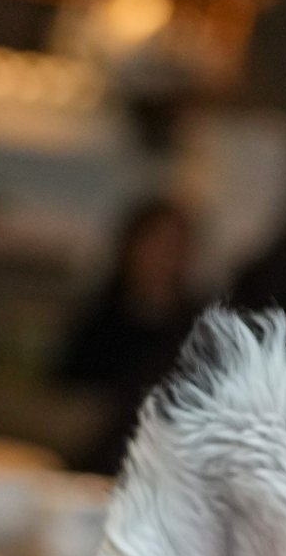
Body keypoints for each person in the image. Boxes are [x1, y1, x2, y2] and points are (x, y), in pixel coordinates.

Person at [53, 196, 201, 471]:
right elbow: (67, 394)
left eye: (175, 246)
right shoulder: (99, 318)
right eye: (156, 244)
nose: (164, 257)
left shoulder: (198, 328)